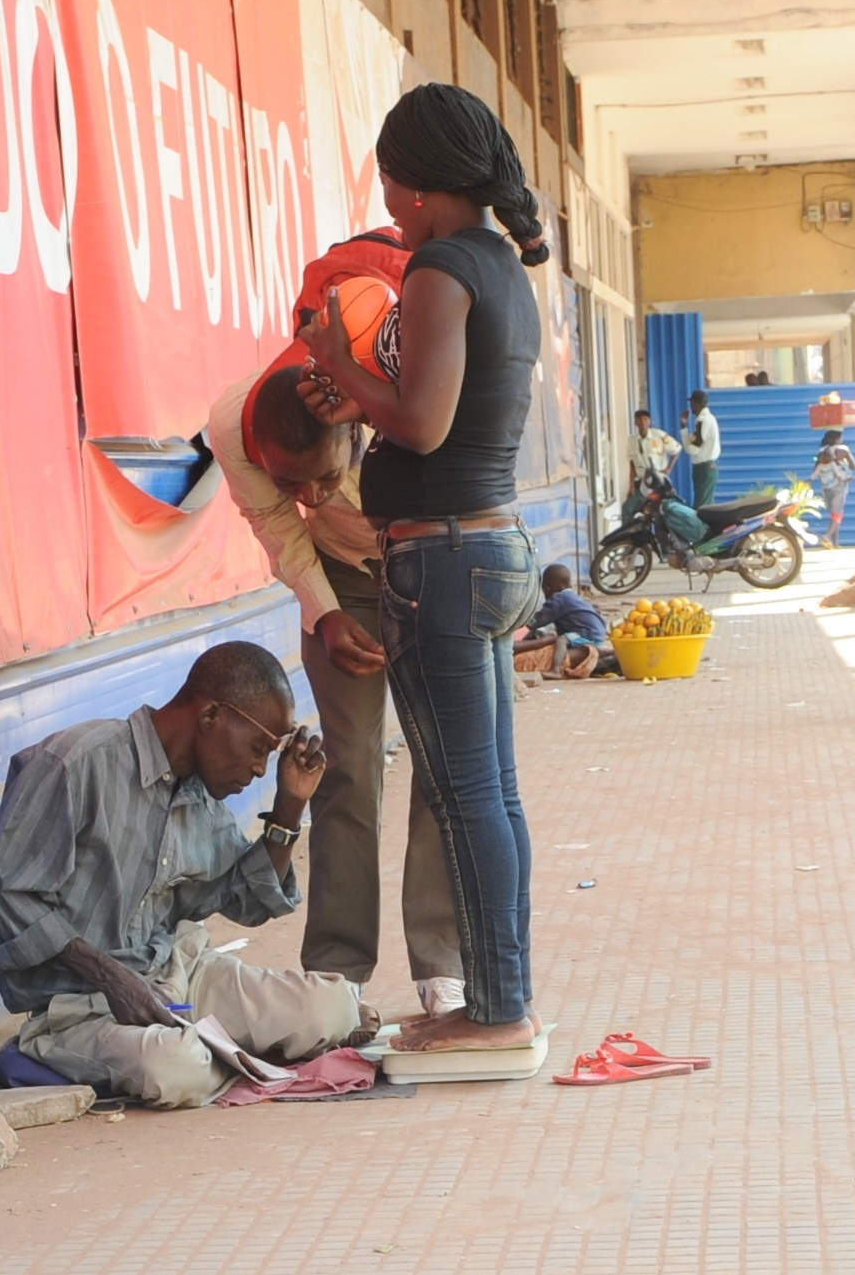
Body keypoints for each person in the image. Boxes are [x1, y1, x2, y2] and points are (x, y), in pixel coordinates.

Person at [298, 82, 546, 1053]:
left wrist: (338, 359)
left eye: (390, 178)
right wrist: (360, 385)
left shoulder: (442, 269)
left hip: (441, 561)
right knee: (491, 792)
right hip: (484, 549)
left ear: (407, 185)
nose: (388, 195)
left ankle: (496, 1010)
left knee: (468, 792)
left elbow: (422, 422)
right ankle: (501, 997)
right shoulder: (499, 264)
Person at [0, 643, 368, 1108]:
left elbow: (247, 901)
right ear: (210, 716)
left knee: (333, 1007)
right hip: (78, 1006)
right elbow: (7, 891)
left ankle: (212, 1047)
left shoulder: (201, 797)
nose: (261, 768)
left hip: (180, 975)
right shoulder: (75, 763)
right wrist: (111, 976)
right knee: (179, 1071)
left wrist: (290, 806)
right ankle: (200, 1050)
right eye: (259, 747)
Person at [210, 356, 465, 1018]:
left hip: (432, 556)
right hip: (336, 574)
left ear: (357, 428)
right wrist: (325, 613)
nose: (314, 497)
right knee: (346, 767)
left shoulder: (405, 394)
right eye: (294, 482)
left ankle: (442, 963)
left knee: (440, 757)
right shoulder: (233, 429)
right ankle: (336, 969)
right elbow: (279, 527)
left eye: (326, 477)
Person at [512, 564, 612, 676]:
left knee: (562, 640)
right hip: (598, 633)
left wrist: (522, 624)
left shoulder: (558, 600)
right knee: (564, 638)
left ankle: (556, 670)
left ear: (547, 588)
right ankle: (609, 652)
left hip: (586, 633)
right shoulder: (573, 597)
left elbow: (540, 618)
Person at [626, 408, 680, 519]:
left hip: (659, 484)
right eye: (639, 420)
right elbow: (632, 465)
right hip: (643, 485)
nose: (642, 423)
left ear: (649, 421)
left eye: (645, 419)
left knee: (662, 514)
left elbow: (677, 449)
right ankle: (629, 536)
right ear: (635, 423)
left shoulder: (659, 435)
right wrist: (631, 487)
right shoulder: (631, 441)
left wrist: (669, 468)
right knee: (627, 508)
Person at [811, 429, 855, 548]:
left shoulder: (821, 451)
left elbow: (816, 468)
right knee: (838, 514)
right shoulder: (844, 450)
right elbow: (854, 466)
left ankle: (835, 543)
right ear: (837, 438)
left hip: (826, 487)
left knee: (833, 514)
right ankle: (827, 536)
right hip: (840, 485)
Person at [681, 390, 722, 504]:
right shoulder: (710, 418)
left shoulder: (702, 420)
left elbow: (692, 449)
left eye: (692, 403)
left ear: (696, 403)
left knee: (701, 506)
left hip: (703, 468)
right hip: (709, 467)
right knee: (707, 505)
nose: (691, 407)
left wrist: (683, 429)